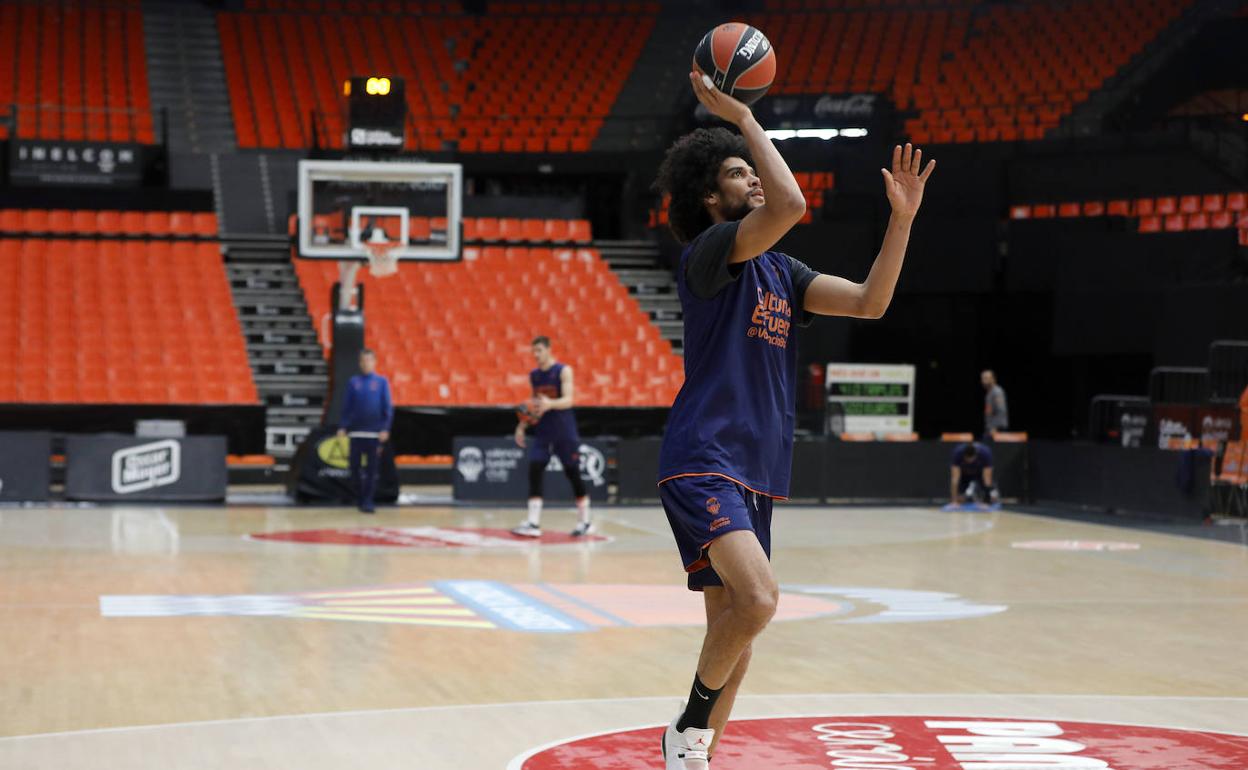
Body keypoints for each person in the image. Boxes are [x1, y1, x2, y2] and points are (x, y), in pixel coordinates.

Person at [650, 71, 935, 770]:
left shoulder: (782, 271)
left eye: (753, 169)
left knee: (735, 630)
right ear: (710, 198)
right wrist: (746, 119)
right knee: (759, 599)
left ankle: (696, 753)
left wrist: (901, 219)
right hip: (704, 455)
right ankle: (686, 726)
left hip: (756, 467)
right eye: (736, 173)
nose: (752, 179)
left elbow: (870, 302)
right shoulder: (710, 254)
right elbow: (792, 201)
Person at [511, 336, 592, 538]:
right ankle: (533, 522)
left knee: (573, 473)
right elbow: (533, 406)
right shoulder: (535, 375)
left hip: (564, 431)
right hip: (543, 431)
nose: (536, 355)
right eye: (534, 352)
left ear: (548, 349)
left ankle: (585, 521)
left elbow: (569, 400)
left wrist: (550, 404)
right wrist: (521, 425)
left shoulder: (563, 371)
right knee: (535, 468)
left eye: (539, 350)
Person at [337, 349, 392, 514]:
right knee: (354, 469)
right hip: (356, 433)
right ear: (360, 363)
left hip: (374, 434)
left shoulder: (382, 382)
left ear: (374, 362)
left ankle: (368, 500)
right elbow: (347, 407)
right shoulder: (353, 382)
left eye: (369, 360)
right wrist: (343, 426)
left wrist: (385, 428)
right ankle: (360, 497)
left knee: (371, 470)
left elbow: (387, 407)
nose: (366, 363)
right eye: (363, 361)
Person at [945, 441, 1001, 510]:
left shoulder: (985, 453)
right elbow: (955, 479)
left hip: (980, 474)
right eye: (967, 460)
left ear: (976, 455)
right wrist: (954, 501)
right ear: (963, 455)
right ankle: (967, 497)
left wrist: (986, 501)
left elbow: (987, 478)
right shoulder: (957, 453)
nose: (969, 462)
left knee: (993, 498)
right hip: (964, 475)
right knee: (960, 499)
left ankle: (986, 499)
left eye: (971, 459)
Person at [982, 369, 1009, 440]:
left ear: (993, 379)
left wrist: (995, 428)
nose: (984, 381)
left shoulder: (997, 392)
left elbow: (1001, 411)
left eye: (986, 378)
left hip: (997, 429)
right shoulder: (989, 393)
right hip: (990, 429)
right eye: (983, 378)